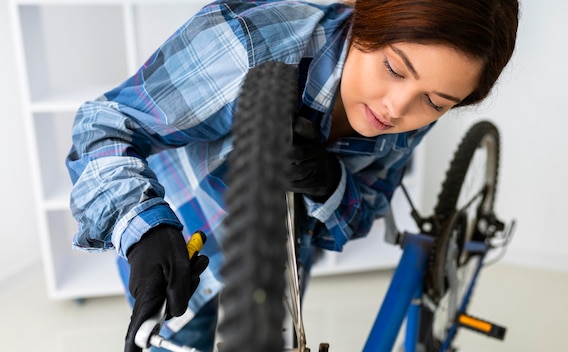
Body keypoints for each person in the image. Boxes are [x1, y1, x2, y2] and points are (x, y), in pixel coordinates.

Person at [65, 0, 519, 351]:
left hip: (281, 261)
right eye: (394, 68)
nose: (398, 108)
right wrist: (142, 227)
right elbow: (104, 125)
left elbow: (363, 212)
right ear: (363, 17)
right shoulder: (250, 43)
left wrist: (330, 181)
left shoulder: (414, 113)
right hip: (179, 240)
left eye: (436, 102)